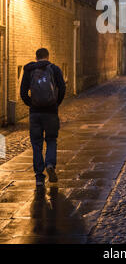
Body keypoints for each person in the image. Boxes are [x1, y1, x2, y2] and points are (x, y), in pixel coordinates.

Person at [20, 48, 66, 188]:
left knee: (36, 144)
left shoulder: (29, 70)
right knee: (51, 140)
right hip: (51, 112)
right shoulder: (54, 69)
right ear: (47, 56)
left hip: (35, 113)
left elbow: (23, 92)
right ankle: (50, 164)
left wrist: (31, 104)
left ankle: (39, 177)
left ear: (36, 57)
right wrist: (55, 104)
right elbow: (62, 88)